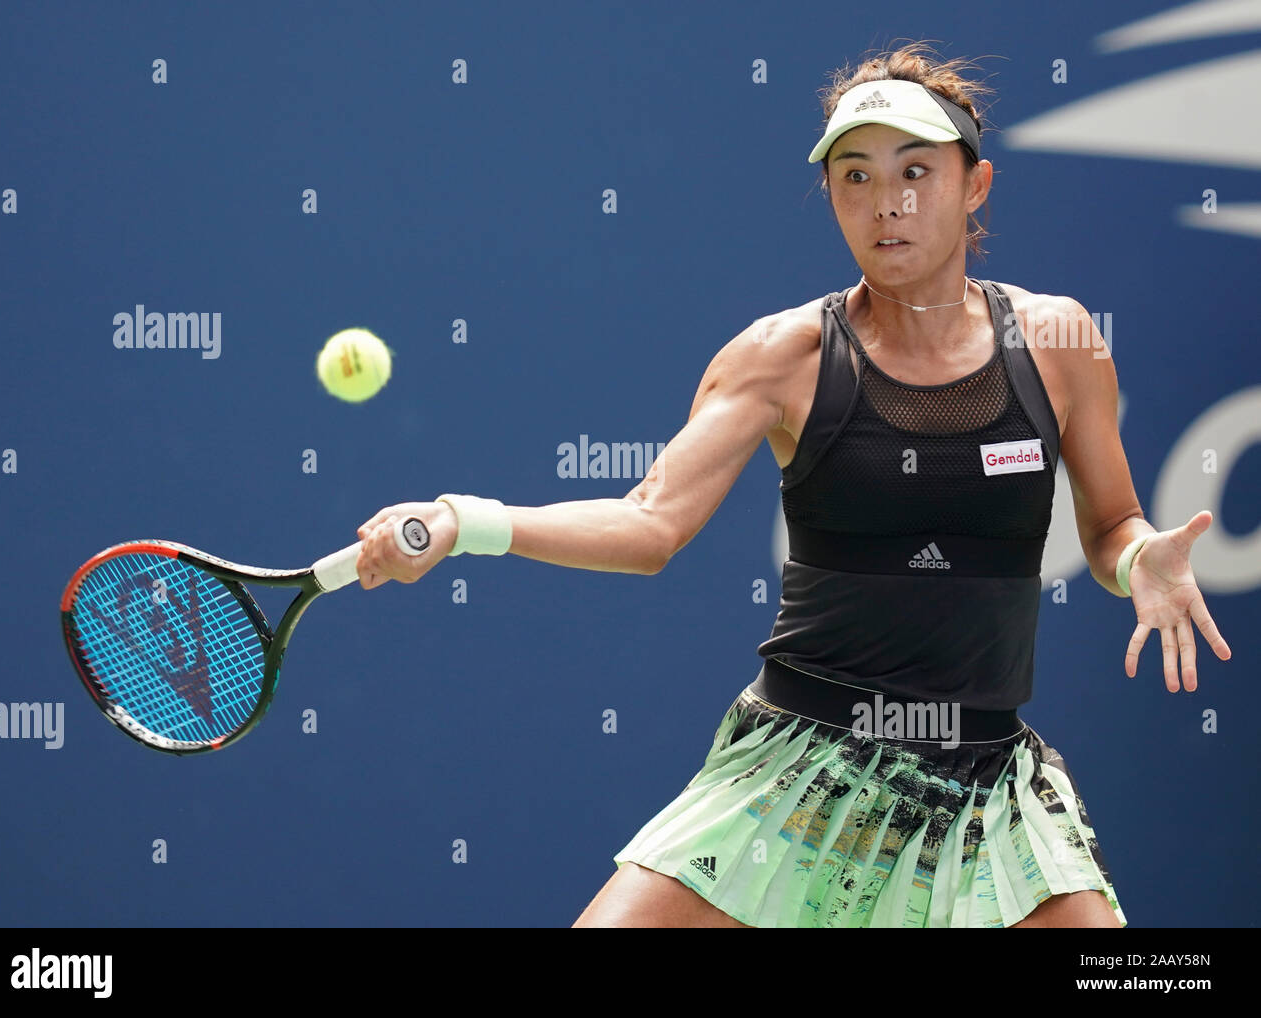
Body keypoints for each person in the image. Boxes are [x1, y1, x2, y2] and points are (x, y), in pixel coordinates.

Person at [350, 41, 1232, 928]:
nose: (886, 201)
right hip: (800, 765)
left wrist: (1138, 558)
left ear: (975, 187)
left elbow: (1112, 522)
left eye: (915, 170)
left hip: (986, 781)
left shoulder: (1059, 341)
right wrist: (467, 520)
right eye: (854, 176)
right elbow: (649, 523)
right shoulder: (782, 359)